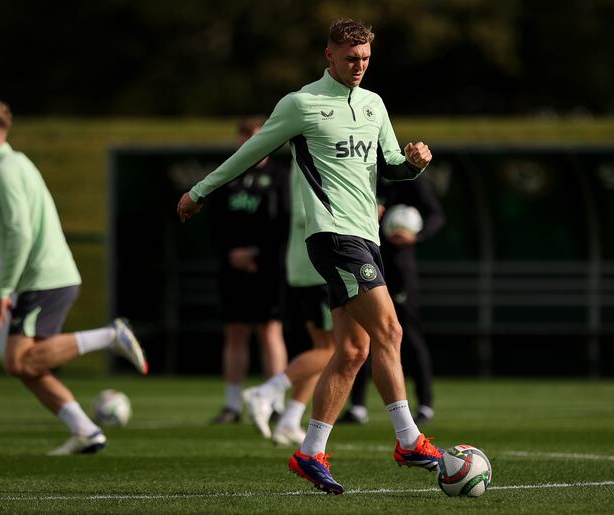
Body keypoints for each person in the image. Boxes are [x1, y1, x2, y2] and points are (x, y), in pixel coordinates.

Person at [178, 18, 443, 494]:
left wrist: (415, 163)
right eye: (350, 58)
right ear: (329, 55)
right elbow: (249, 152)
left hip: (368, 237)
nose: (359, 66)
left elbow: (394, 167)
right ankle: (408, 439)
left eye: (365, 58)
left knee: (353, 350)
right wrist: (201, 190)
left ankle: (310, 452)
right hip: (333, 236)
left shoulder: (373, 104)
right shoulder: (301, 104)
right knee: (390, 329)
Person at [0, 98, 148, 456]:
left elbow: (21, 233)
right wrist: (3, 275)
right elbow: (27, 230)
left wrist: (5, 287)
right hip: (48, 275)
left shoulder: (5, 171)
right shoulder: (15, 164)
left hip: (45, 279)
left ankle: (110, 336)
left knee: (18, 362)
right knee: (28, 366)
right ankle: (86, 431)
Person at [242, 160, 336, 446]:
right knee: (338, 350)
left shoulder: (305, 155)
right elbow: (301, 212)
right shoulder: (308, 155)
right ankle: (266, 392)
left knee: (323, 348)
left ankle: (289, 420)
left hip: (308, 265)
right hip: (317, 266)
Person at [338, 174, 445, 426]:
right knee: (362, 334)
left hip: (399, 267)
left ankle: (425, 405)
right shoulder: (360, 173)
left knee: (407, 333)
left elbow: (436, 215)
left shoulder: (409, 177)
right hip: (366, 262)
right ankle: (358, 407)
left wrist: (415, 237)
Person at [207, 116, 289, 424]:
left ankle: (275, 403)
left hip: (268, 268)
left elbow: (284, 222)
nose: (250, 144)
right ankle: (232, 405)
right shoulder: (227, 176)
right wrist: (231, 254)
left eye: (257, 138)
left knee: (270, 330)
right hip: (232, 267)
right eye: (245, 138)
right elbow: (213, 222)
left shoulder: (281, 177)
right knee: (235, 331)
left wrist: (258, 253)